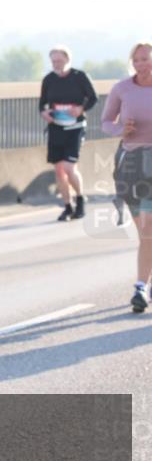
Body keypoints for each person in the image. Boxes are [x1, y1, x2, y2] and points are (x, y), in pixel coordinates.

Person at [102, 41, 152, 313]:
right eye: (137, 60)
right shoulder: (122, 88)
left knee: (148, 231)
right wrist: (122, 129)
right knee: (145, 232)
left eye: (146, 59)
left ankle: (140, 288)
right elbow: (106, 122)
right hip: (131, 164)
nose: (141, 64)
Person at [38, 46, 98, 221]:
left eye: (59, 60)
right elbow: (42, 103)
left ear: (67, 60)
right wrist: (44, 113)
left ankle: (80, 199)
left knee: (69, 167)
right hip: (56, 128)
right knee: (59, 171)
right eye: (53, 61)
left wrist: (81, 108)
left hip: (75, 128)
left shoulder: (80, 77)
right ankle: (67, 206)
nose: (56, 64)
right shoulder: (48, 79)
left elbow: (93, 98)